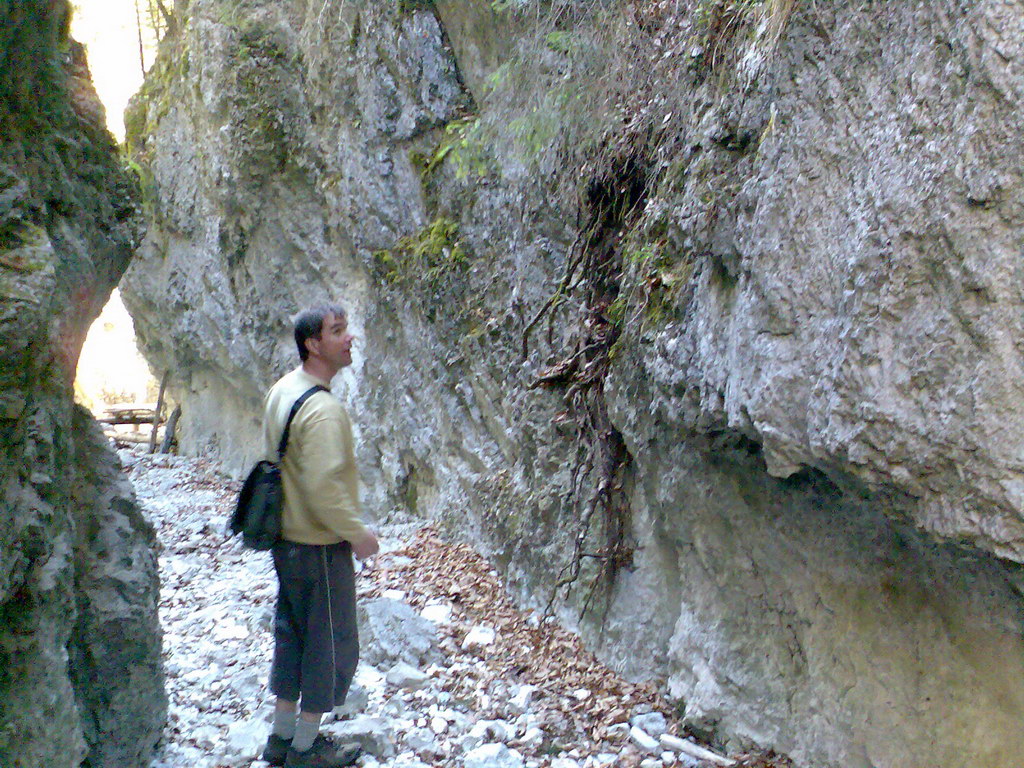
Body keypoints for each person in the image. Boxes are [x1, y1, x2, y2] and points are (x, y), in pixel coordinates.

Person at [260, 303, 380, 768]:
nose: (349, 338)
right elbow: (325, 490)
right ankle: (307, 750)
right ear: (313, 344)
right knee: (330, 644)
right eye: (337, 330)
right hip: (319, 548)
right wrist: (359, 536)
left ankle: (281, 736)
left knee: (291, 637)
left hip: (285, 544)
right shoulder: (326, 411)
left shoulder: (282, 391)